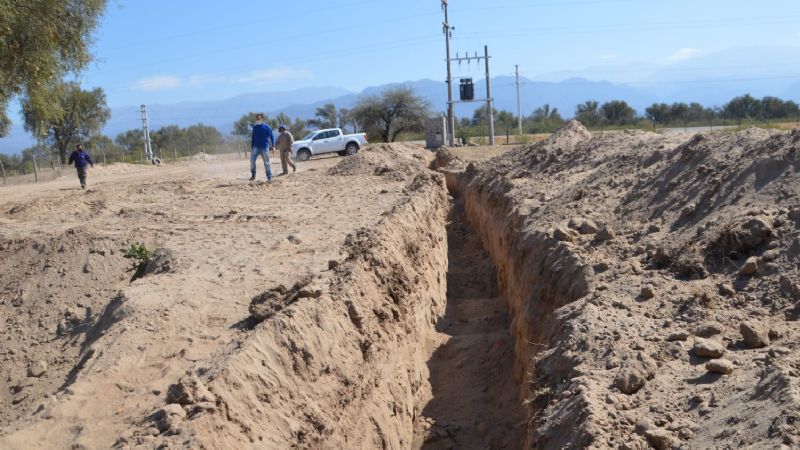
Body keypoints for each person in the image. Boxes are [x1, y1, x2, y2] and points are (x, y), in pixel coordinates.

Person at [249, 113, 275, 181]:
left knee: (266, 162)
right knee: (252, 161)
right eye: (256, 119)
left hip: (264, 147)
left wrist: (273, 146)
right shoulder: (255, 127)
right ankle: (253, 175)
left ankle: (269, 177)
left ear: (262, 119)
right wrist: (252, 147)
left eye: (259, 119)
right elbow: (253, 138)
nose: (257, 120)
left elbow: (272, 135)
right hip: (256, 147)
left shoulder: (266, 127)